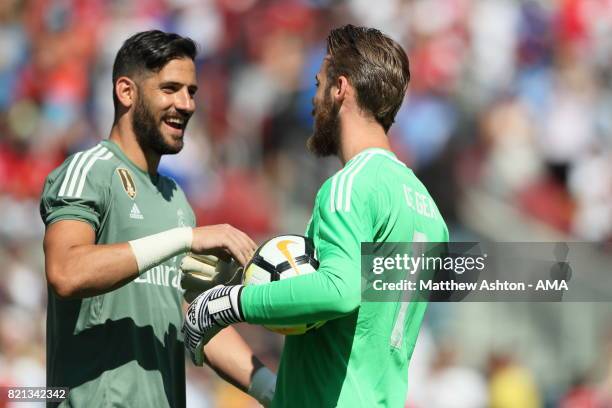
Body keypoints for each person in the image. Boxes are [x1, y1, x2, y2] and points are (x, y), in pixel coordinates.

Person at [183, 24, 450, 407]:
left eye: (318, 83)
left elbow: (338, 292)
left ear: (340, 89)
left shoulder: (349, 186)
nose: (313, 99)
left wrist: (230, 302)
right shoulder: (427, 208)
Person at [40, 30, 275, 408]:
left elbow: (190, 316)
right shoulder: (88, 171)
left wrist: (273, 392)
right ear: (126, 92)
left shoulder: (176, 198)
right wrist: (183, 239)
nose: (186, 104)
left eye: (192, 91)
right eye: (170, 89)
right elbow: (65, 272)